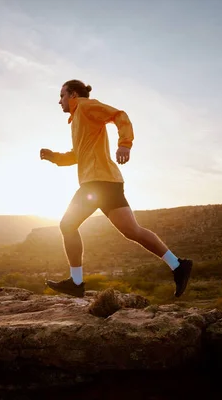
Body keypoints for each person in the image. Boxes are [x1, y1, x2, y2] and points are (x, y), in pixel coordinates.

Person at [40, 79, 192, 298]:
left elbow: (119, 115)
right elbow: (78, 155)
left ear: (73, 94)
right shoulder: (77, 119)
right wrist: (55, 157)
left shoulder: (85, 106)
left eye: (62, 95)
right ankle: (178, 265)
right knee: (133, 231)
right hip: (108, 182)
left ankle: (76, 282)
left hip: (97, 182)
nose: (59, 101)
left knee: (67, 224)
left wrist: (124, 144)